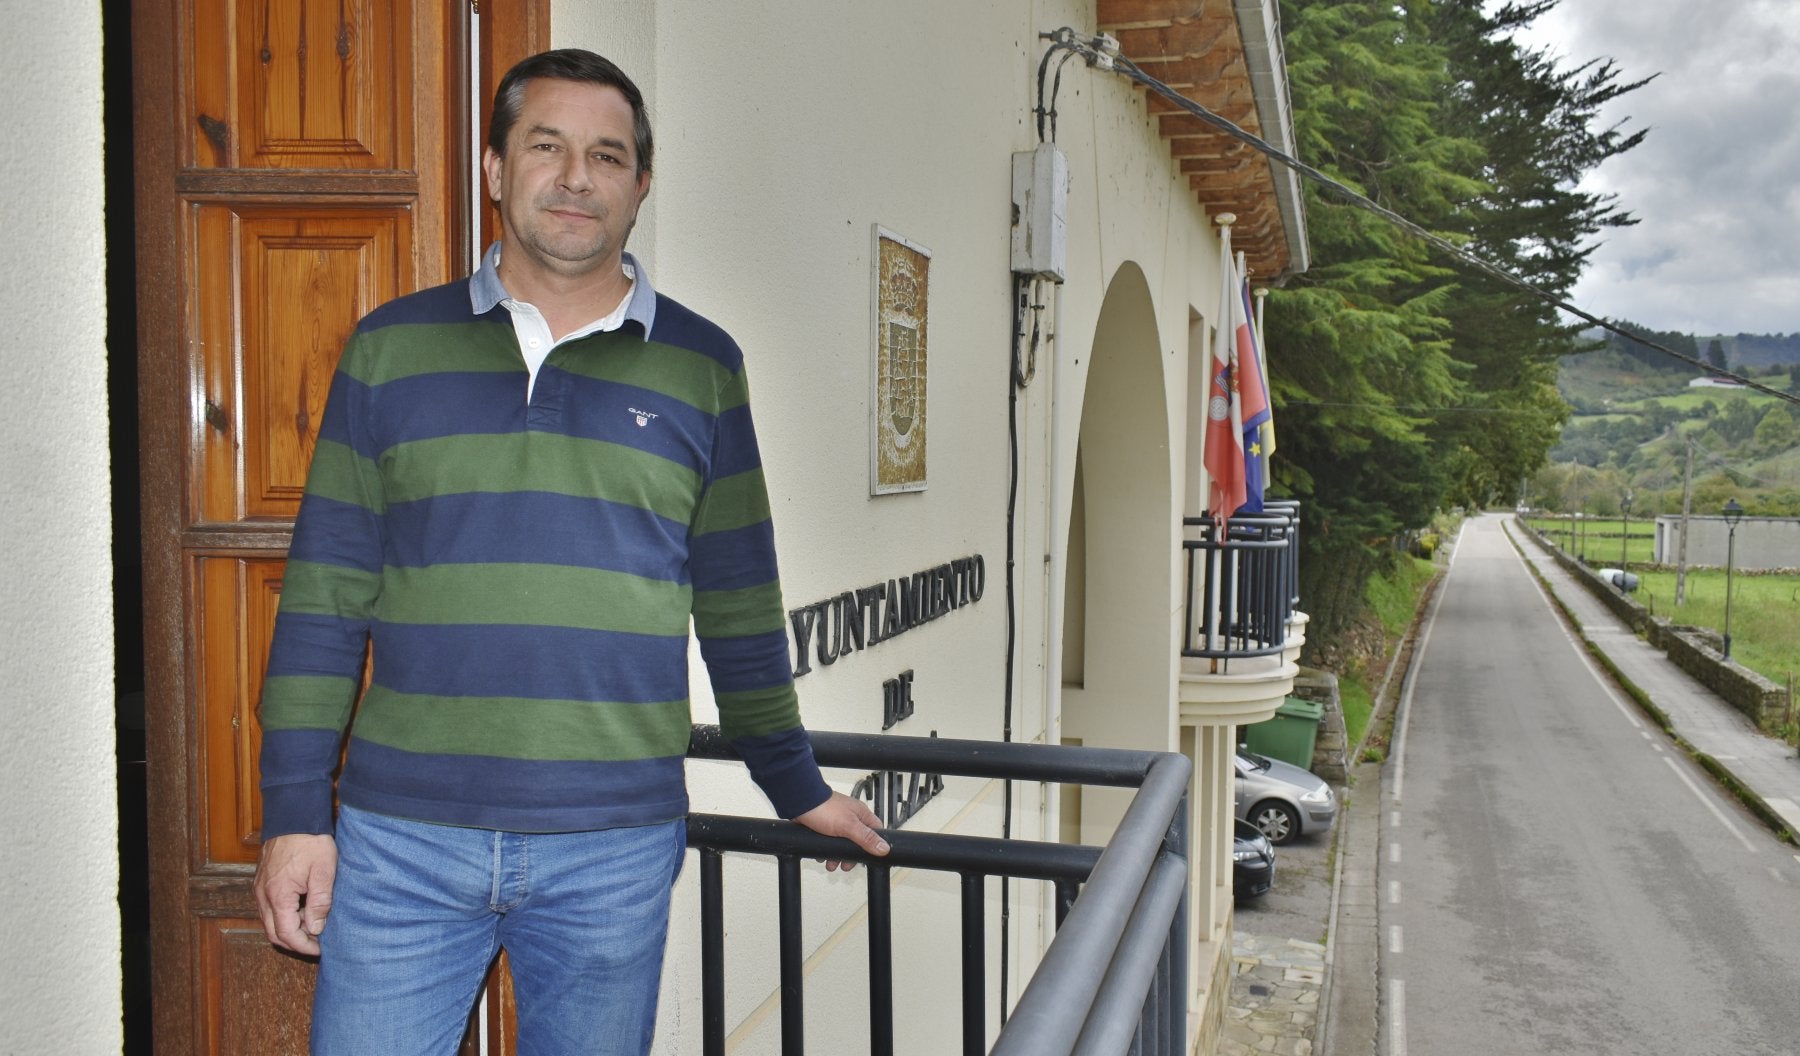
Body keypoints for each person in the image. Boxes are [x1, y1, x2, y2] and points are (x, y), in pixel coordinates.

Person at [252, 48, 888, 1055]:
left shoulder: (703, 367)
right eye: (547, 147)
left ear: (641, 186)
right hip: (403, 843)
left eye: (608, 154)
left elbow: (735, 597)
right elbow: (327, 597)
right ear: (499, 170)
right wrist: (294, 812)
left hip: (612, 850)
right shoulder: (388, 351)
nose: (578, 176)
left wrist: (794, 784)